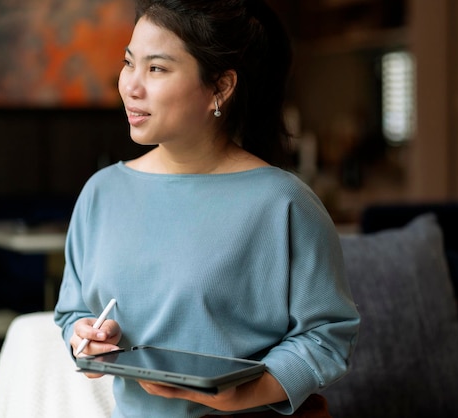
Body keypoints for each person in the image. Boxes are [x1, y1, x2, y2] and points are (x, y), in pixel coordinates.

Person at [54, 0, 360, 417]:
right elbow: (73, 310)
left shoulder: (283, 202)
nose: (131, 85)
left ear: (220, 87)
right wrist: (84, 336)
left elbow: (327, 335)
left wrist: (244, 394)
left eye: (157, 69)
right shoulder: (102, 192)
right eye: (129, 63)